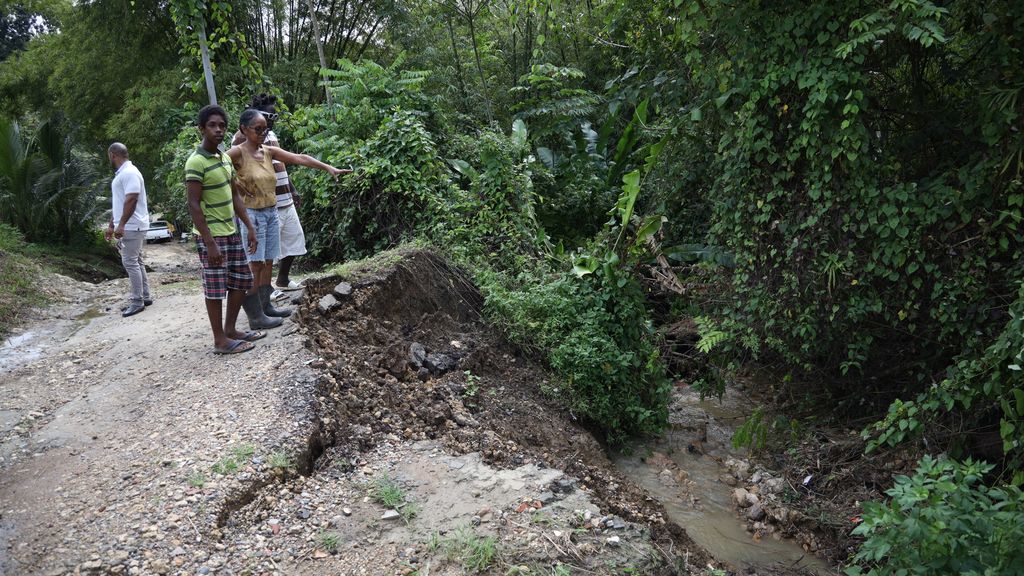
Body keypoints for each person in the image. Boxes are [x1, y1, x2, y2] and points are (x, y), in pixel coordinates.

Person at [227, 108, 348, 324]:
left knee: (267, 261)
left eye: (265, 129)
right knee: (255, 264)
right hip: (252, 215)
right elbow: (217, 171)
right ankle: (255, 316)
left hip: (271, 211)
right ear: (243, 129)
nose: (263, 133)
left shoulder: (267, 151)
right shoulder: (236, 153)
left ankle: (266, 307)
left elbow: (299, 158)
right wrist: (236, 186)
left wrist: (328, 167)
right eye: (258, 129)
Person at [185, 105, 266, 355]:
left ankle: (230, 330)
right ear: (202, 129)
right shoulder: (195, 162)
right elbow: (193, 204)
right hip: (212, 236)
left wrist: (249, 228)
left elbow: (235, 197)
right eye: (212, 125)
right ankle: (219, 340)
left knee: (241, 281)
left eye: (221, 125)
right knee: (215, 288)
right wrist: (209, 242)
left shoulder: (224, 159)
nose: (218, 130)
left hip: (231, 232)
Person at [232, 94, 309, 298]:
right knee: (261, 256)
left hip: (282, 198)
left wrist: (291, 188)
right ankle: (260, 296)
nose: (272, 122)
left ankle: (278, 283)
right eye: (270, 117)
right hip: (259, 206)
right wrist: (239, 188)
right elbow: (228, 169)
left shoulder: (269, 135)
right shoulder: (244, 137)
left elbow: (280, 163)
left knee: (292, 241)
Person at [105, 143, 153, 317]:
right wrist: (112, 224)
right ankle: (145, 296)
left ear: (112, 155)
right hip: (130, 224)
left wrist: (122, 224)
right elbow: (119, 202)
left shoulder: (130, 173)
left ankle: (137, 301)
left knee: (130, 262)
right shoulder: (123, 173)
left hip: (132, 226)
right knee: (137, 261)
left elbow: (131, 199)